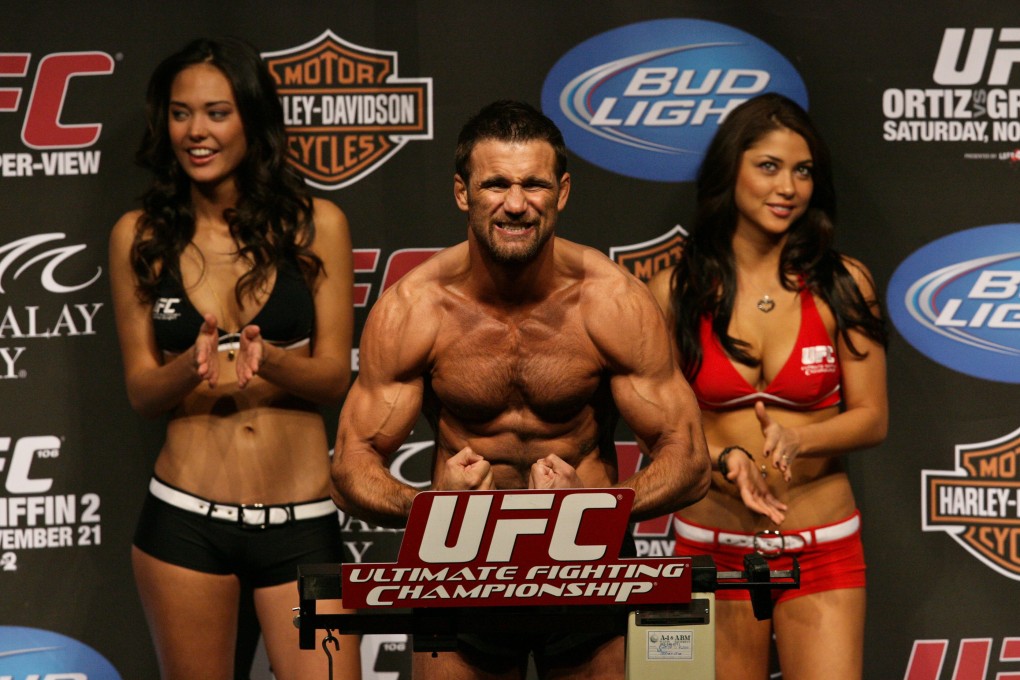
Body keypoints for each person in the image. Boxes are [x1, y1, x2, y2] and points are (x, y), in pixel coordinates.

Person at [330, 99, 711, 679]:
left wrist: (594, 512)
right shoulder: (415, 309)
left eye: (534, 184)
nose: (515, 203)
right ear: (462, 193)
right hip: (457, 567)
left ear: (561, 193)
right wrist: (430, 511)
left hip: (588, 565)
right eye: (495, 185)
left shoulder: (612, 303)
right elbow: (350, 466)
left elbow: (689, 461)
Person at [108, 37, 360, 680]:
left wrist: (271, 361)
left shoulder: (317, 224)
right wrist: (185, 367)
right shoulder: (139, 236)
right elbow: (140, 392)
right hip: (185, 520)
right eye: (180, 112)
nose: (196, 131)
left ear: (252, 117)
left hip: (302, 522)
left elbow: (334, 377)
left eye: (217, 112)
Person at [648, 93, 888, 679]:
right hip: (711, 546)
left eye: (803, 171)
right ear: (731, 170)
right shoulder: (671, 289)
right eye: (769, 166)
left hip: (822, 543)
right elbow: (661, 425)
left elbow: (873, 417)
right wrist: (726, 456)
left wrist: (802, 440)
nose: (788, 187)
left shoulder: (844, 282)